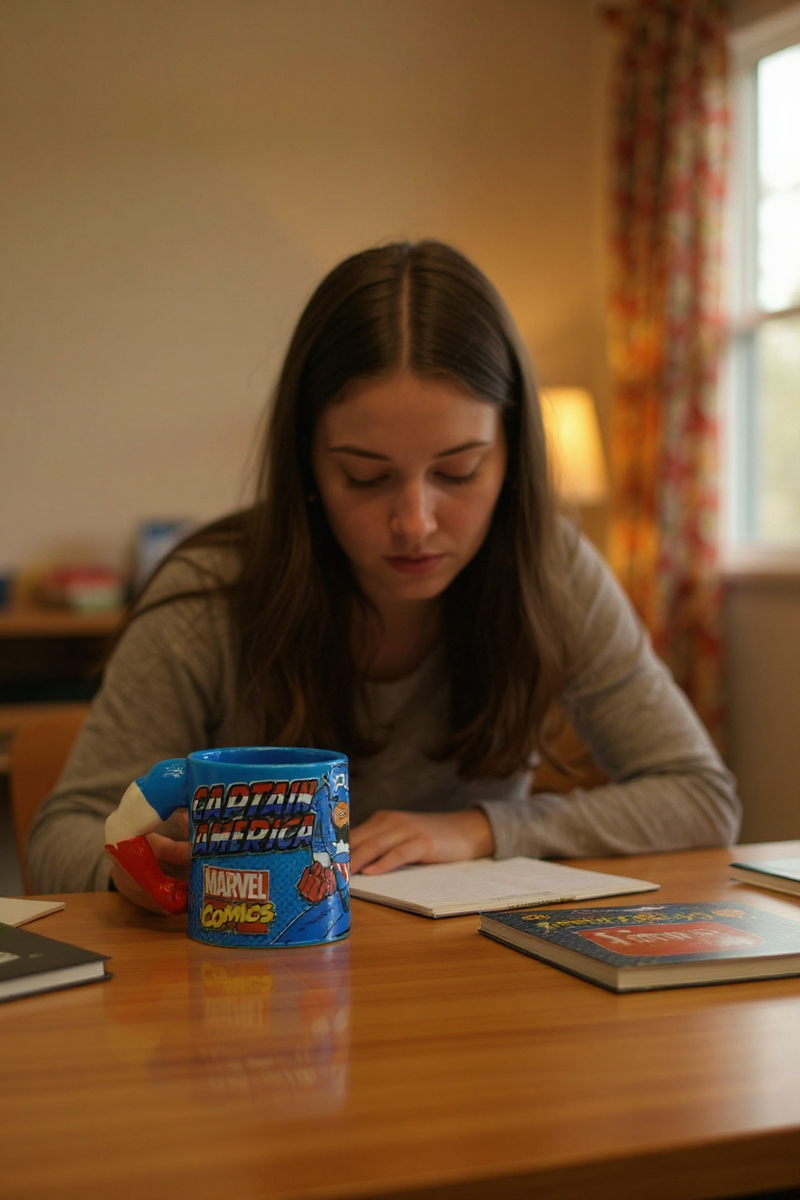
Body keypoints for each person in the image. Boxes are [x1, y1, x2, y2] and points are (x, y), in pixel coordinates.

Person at [27, 240, 740, 908]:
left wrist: (480, 829)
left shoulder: (550, 570)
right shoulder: (206, 599)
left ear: (511, 456)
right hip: (247, 998)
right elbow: (61, 838)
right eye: (366, 477)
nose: (416, 522)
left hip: (465, 996)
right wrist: (143, 872)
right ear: (307, 462)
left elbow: (701, 797)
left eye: (458, 472)